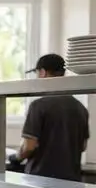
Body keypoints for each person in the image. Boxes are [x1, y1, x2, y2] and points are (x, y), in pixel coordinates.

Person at [9, 53, 90, 181]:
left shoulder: (38, 106)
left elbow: (29, 146)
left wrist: (17, 157)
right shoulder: (80, 108)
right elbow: (83, 146)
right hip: (72, 182)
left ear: (42, 72)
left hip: (41, 181)